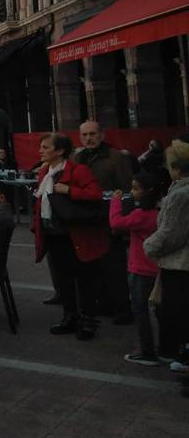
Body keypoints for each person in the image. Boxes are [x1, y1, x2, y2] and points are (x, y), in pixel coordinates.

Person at [32, 133, 107, 341]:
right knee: (63, 279)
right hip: (53, 233)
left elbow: (95, 194)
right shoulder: (45, 171)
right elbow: (42, 202)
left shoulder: (78, 170)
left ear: (60, 151)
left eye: (45, 147)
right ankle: (70, 317)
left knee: (83, 279)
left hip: (74, 235)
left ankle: (88, 321)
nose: (40, 151)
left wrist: (69, 190)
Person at [143, 140, 189, 394]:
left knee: (179, 317)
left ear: (177, 168)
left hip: (180, 266)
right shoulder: (179, 189)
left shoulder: (181, 194)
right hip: (181, 264)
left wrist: (149, 246)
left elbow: (171, 233)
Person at [77, 120, 134, 323]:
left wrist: (121, 222)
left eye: (92, 134)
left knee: (114, 268)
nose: (88, 138)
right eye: (84, 135)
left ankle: (123, 310)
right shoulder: (79, 157)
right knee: (95, 267)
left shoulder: (116, 158)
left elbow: (127, 191)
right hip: (87, 221)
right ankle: (105, 305)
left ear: (102, 134)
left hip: (110, 221)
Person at [110, 171, 164, 366]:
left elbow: (116, 223)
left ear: (147, 191)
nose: (132, 192)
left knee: (140, 310)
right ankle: (165, 347)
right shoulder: (159, 212)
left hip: (140, 269)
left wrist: (115, 202)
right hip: (156, 268)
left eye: (135, 189)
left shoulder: (141, 215)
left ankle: (147, 351)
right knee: (159, 310)